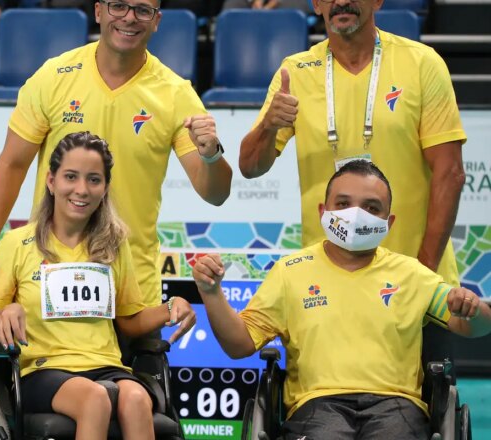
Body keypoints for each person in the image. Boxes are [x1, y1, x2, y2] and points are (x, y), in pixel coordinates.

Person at [192, 160, 491, 439]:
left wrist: (473, 310)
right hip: (317, 407)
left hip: (396, 407)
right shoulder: (289, 272)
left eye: (372, 207)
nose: (355, 214)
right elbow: (239, 344)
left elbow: (475, 327)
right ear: (323, 211)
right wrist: (212, 293)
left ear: (389, 222)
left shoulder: (411, 272)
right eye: (344, 204)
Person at [0, 0, 233, 310]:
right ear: (98, 11)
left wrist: (211, 155)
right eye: (119, 6)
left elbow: (215, 194)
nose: (129, 18)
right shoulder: (53, 77)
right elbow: (11, 166)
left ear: (156, 20)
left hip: (132, 286)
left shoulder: (176, 94)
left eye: (142, 10)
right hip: (49, 276)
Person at [0, 132, 196, 439]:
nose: (82, 189)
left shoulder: (114, 245)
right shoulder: (18, 243)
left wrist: (169, 307)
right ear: (51, 181)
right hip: (44, 369)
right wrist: (8, 310)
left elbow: (130, 322)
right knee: (95, 398)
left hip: (107, 365)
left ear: (105, 188)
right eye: (71, 177)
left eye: (94, 180)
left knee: (137, 399)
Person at [238, 0, 466, 287]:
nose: (342, 2)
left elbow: (450, 173)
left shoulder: (422, 63)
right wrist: (269, 126)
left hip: (414, 279)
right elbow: (249, 167)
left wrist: (424, 271)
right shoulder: (295, 72)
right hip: (329, 284)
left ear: (378, 1)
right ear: (317, 5)